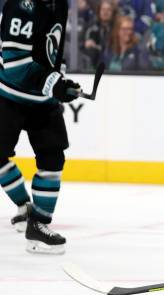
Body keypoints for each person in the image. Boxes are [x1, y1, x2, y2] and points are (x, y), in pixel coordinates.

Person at [0, 0, 82, 254]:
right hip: (9, 96)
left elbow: (50, 50)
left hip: (43, 102)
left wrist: (60, 80)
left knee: (53, 159)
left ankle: (39, 225)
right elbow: (15, 66)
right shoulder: (22, 5)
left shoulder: (59, 4)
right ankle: (25, 207)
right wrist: (53, 82)